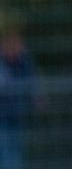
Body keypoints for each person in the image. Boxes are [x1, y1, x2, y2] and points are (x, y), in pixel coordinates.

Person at [0, 22, 35, 169]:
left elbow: (31, 81)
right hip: (3, 114)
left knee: (15, 148)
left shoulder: (23, 61)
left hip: (16, 112)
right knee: (5, 148)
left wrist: (36, 96)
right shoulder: (3, 63)